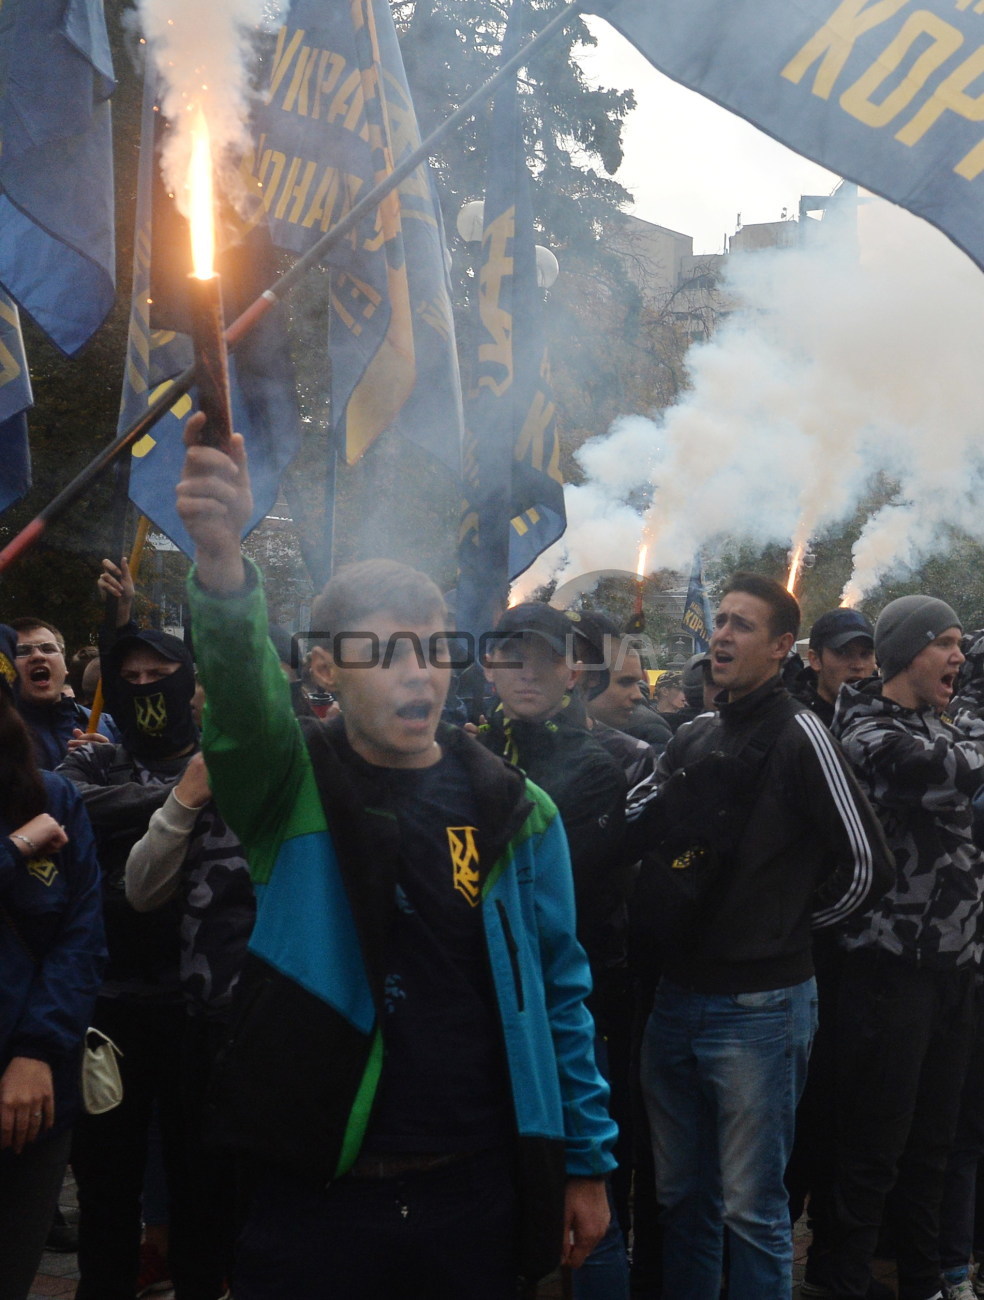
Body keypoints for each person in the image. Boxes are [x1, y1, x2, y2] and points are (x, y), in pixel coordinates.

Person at [174, 415, 616, 1299]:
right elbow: (239, 690)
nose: (418, 673)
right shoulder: (284, 783)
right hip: (317, 1194)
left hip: (475, 1189)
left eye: (432, 649)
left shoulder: (516, 811)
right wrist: (222, 566)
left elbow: (562, 990)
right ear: (328, 669)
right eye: (382, 653)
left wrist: (585, 1162)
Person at [625, 572, 893, 1300]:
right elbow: (629, 820)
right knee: (682, 1198)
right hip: (675, 1002)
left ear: (783, 648)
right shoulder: (692, 735)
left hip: (762, 1012)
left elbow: (869, 864)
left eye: (743, 625)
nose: (722, 635)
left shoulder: (803, 732)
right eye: (722, 622)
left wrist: (788, 932)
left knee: (752, 1210)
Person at [815, 596, 984, 1300]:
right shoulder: (863, 732)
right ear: (906, 650)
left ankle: (922, 1283)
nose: (958, 656)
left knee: (935, 1148)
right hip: (889, 970)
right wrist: (968, 742)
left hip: (956, 968)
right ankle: (840, 1281)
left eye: (959, 643)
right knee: (873, 1146)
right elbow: (958, 773)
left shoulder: (948, 722)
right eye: (943, 643)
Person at [60, 612, 201, 1300]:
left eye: (160, 675)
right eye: (132, 678)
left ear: (190, 683)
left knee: (201, 1186)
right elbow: (67, 805)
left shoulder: (219, 753)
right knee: (106, 1190)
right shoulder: (93, 756)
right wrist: (181, 799)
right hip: (107, 1006)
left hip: (198, 1006)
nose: (145, 687)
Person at [0, 624, 105, 1300]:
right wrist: (10, 853)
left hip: (34, 1094)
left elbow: (83, 931)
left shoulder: (54, 799)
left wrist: (38, 1049)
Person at [11, 618, 118, 768]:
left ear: (65, 666)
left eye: (48, 649)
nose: (38, 656)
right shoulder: (5, 732)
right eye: (22, 651)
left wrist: (113, 761)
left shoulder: (109, 725)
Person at [793, 608, 877, 727]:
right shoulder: (793, 724)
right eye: (843, 653)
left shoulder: (890, 717)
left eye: (866, 654)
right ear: (815, 659)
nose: (858, 665)